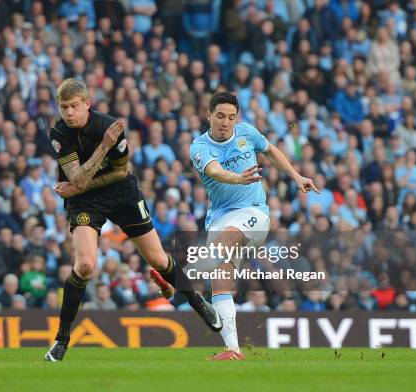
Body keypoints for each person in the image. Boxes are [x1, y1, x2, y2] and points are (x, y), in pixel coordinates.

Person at [44, 78, 221, 362]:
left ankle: (197, 301)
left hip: (121, 194)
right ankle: (61, 340)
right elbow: (75, 178)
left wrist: (80, 182)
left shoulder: (109, 126)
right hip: (85, 202)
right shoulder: (59, 133)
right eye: (64, 107)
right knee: (86, 265)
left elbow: (121, 172)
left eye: (74, 106)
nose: (69, 113)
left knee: (160, 261)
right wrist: (102, 149)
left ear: (87, 104)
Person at [189, 92, 318, 360]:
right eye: (221, 116)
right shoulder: (199, 147)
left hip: (254, 213)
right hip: (220, 217)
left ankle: (187, 275)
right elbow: (214, 171)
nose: (226, 122)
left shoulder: (247, 132)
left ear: (238, 118)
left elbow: (270, 150)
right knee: (220, 282)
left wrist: (295, 176)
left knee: (221, 247)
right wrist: (237, 178)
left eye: (231, 117)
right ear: (209, 115)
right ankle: (233, 351)